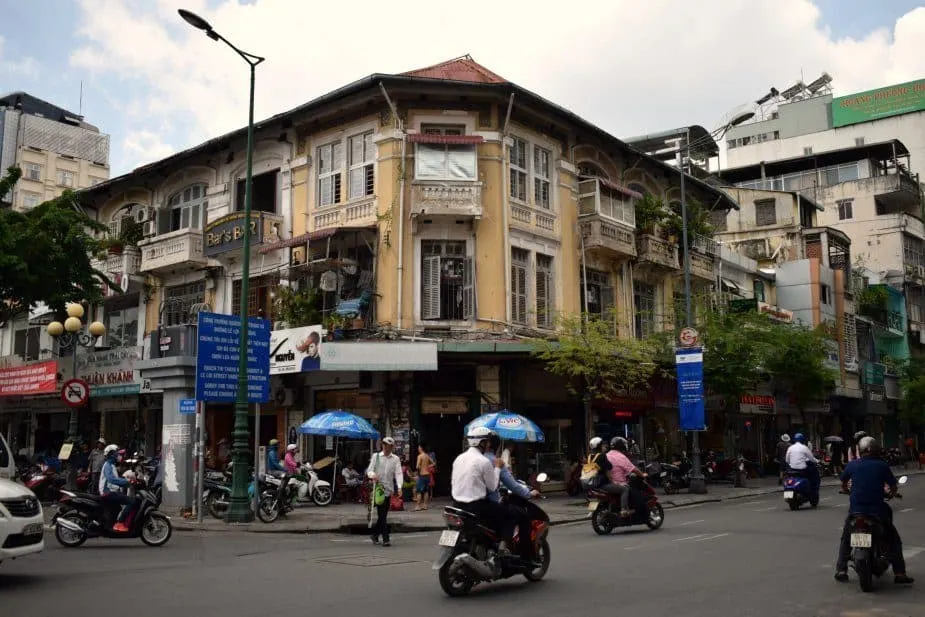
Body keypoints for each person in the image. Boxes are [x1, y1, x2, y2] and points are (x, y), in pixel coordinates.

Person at [834, 437, 914, 584]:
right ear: (876, 450)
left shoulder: (852, 465)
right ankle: (900, 573)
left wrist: (846, 489)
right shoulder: (881, 465)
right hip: (877, 511)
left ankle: (841, 569)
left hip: (856, 512)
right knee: (893, 538)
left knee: (846, 538)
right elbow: (893, 486)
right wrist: (891, 493)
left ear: (862, 450)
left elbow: (843, 482)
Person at [450, 427, 511, 553]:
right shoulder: (483, 461)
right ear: (482, 443)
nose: (488, 445)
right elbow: (493, 486)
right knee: (510, 515)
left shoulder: (458, 459)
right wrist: (498, 467)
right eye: (487, 442)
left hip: (456, 505)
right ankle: (502, 549)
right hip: (476, 507)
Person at [485, 433, 540, 564]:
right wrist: (529, 493)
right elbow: (512, 485)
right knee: (519, 516)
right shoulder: (494, 461)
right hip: (487, 503)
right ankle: (508, 549)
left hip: (464, 502)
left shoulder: (469, 459)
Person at [366, 436, 403, 546]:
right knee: (382, 515)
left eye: (390, 446)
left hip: (389, 490)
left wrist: (400, 487)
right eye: (385, 445)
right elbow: (369, 471)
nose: (387, 448)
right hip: (378, 490)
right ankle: (386, 539)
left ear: (392, 447)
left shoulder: (395, 459)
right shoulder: (376, 456)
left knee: (383, 515)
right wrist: (373, 476)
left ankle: (375, 534)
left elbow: (398, 473)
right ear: (382, 445)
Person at [99, 444, 138, 532]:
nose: (119, 455)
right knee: (131, 501)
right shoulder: (108, 465)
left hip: (111, 492)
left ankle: (112, 524)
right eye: (117, 453)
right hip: (108, 493)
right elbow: (112, 479)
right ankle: (119, 523)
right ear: (112, 454)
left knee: (119, 508)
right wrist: (127, 482)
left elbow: (116, 479)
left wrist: (126, 480)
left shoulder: (111, 465)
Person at [607, 436, 645, 518]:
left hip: (608, 483)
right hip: (618, 483)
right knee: (630, 491)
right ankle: (624, 509)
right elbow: (634, 469)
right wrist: (642, 475)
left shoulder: (607, 455)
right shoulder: (621, 457)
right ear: (622, 446)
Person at [785, 432, 820, 506]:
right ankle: (812, 493)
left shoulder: (790, 447)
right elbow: (811, 458)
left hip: (791, 470)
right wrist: (818, 461)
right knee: (813, 476)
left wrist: (792, 463)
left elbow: (787, 460)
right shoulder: (804, 447)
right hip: (802, 470)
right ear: (803, 440)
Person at [414, 444, 434, 511]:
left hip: (422, 475)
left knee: (419, 491)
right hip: (427, 475)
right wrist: (428, 466)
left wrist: (419, 469)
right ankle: (425, 505)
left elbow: (417, 466)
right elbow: (434, 463)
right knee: (426, 491)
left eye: (419, 447)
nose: (418, 448)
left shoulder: (420, 456)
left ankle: (418, 506)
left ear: (421, 448)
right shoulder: (427, 455)